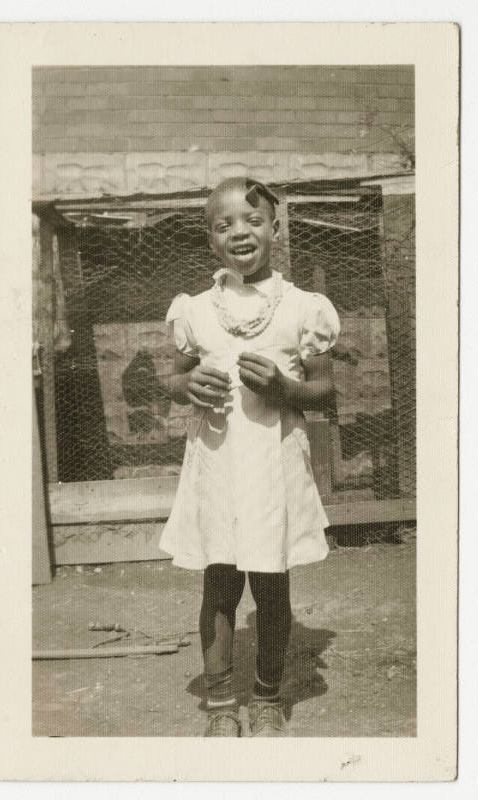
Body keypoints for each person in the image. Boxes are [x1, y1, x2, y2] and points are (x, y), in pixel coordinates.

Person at [160, 177, 340, 737]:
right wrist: (185, 386)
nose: (240, 231)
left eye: (253, 220)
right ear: (211, 240)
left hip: (273, 463)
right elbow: (170, 374)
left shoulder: (303, 308)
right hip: (216, 459)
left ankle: (265, 698)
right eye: (224, 224)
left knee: (270, 581)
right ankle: (219, 707)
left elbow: (327, 390)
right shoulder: (194, 309)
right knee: (218, 581)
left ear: (276, 230)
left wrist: (287, 389)